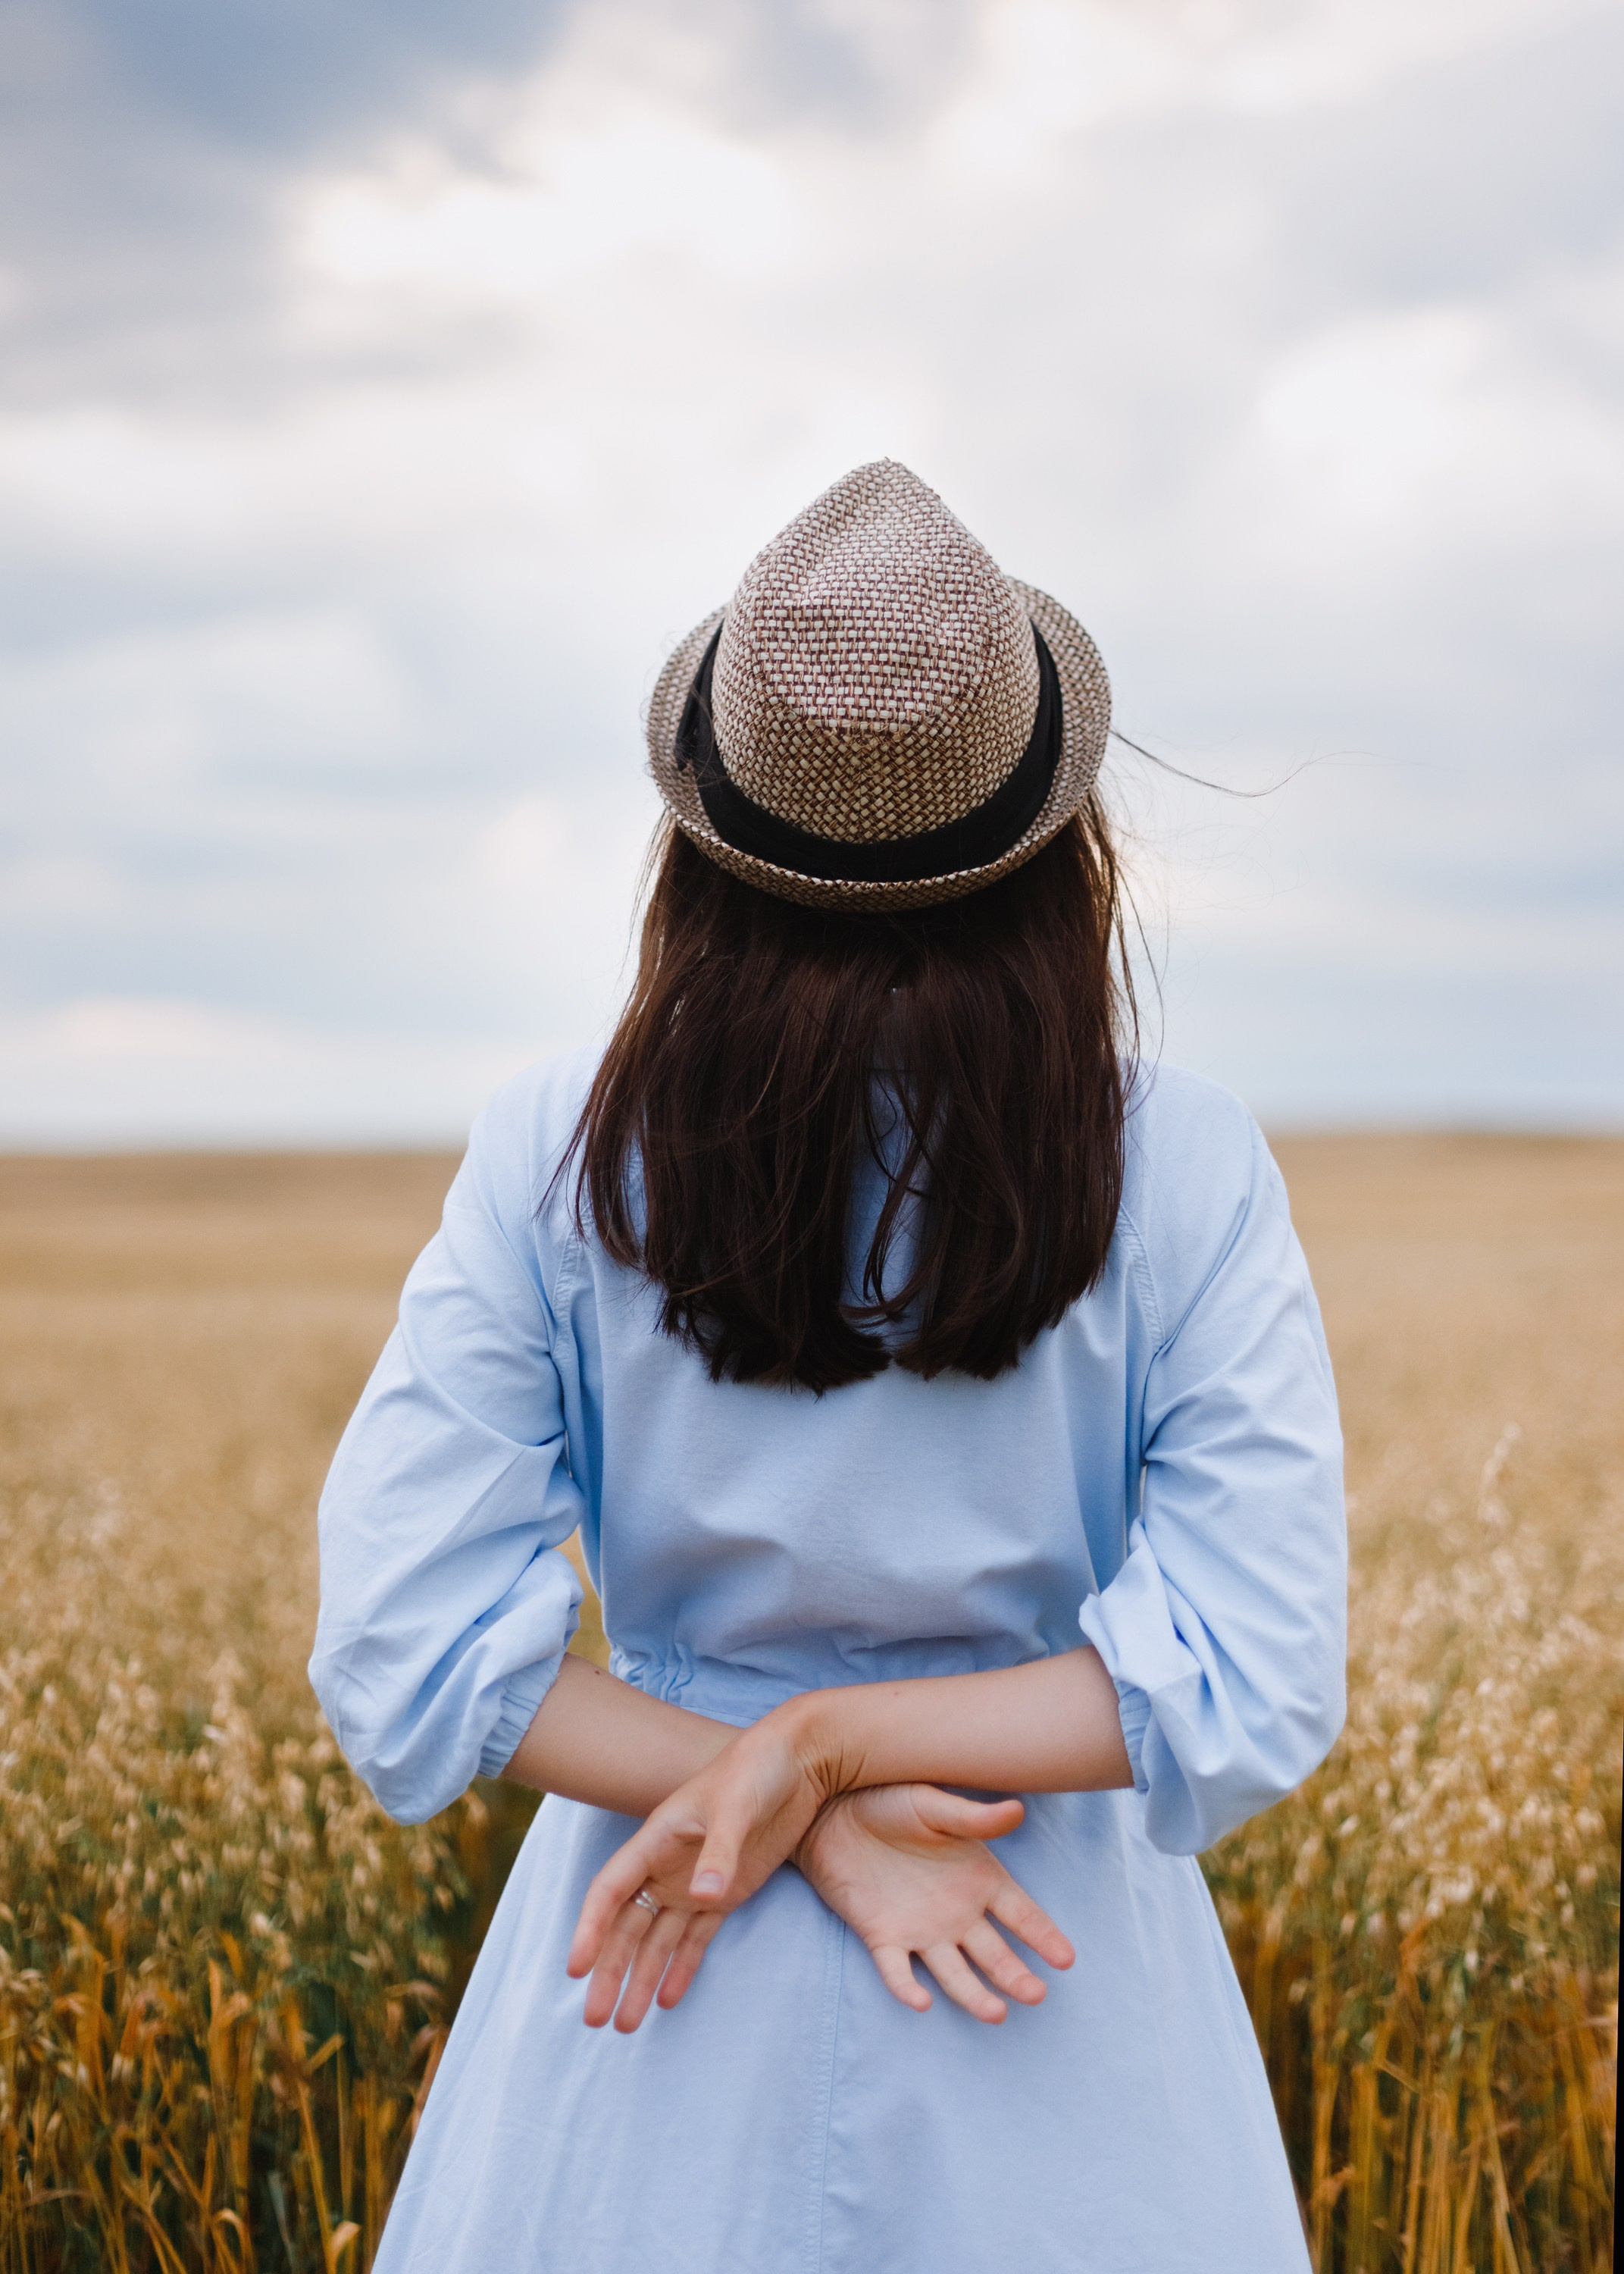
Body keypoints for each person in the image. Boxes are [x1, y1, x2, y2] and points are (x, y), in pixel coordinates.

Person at [310, 460, 1346, 2272]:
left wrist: (781, 1761)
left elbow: (403, 1648)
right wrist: (820, 1791)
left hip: (650, 1977)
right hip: (1047, 1982)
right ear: (1055, 852)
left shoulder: (557, 1149)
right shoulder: (1181, 1163)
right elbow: (1250, 1679)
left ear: (704, 851)